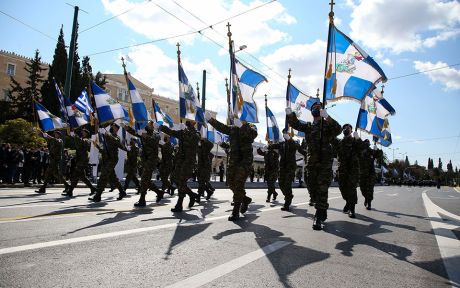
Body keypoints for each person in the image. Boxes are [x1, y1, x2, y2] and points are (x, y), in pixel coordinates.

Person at [286, 102, 341, 230]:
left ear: (322, 110)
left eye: (319, 107)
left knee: (322, 188)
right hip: (311, 162)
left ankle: (318, 215)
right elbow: (296, 124)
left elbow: (338, 130)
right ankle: (322, 208)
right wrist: (290, 114)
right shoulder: (309, 126)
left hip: (324, 162)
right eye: (314, 107)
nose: (316, 108)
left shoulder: (327, 125)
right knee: (311, 185)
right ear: (311, 112)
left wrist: (327, 117)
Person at [206, 113, 257, 221]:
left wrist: (242, 126)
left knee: (238, 184)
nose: (236, 119)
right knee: (230, 183)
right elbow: (222, 127)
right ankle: (245, 199)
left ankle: (236, 211)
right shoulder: (233, 129)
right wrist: (211, 120)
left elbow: (253, 135)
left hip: (244, 161)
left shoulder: (250, 126)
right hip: (233, 161)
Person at [160, 120, 200, 212]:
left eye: (189, 124)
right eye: (186, 124)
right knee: (175, 179)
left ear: (193, 125)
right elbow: (171, 132)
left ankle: (179, 204)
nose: (187, 125)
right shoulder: (182, 133)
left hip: (188, 161)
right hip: (180, 160)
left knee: (182, 181)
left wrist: (188, 132)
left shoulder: (196, 133)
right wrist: (161, 127)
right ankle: (191, 195)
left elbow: (195, 139)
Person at [125, 123, 162, 207]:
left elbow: (153, 141)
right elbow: (135, 133)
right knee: (146, 180)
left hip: (151, 161)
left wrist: (144, 135)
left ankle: (142, 199)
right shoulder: (145, 135)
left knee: (144, 180)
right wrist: (128, 128)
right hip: (146, 161)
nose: (148, 126)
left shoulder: (156, 135)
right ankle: (158, 192)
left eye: (150, 125)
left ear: (152, 128)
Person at [89, 123, 127, 202]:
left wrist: (105, 133)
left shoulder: (116, 137)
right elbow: (104, 150)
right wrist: (97, 146)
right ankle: (122, 191)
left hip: (112, 159)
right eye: (112, 126)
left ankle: (98, 195)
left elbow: (116, 141)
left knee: (103, 176)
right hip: (106, 160)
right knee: (113, 178)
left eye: (113, 127)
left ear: (117, 129)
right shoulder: (108, 136)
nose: (112, 128)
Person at [333, 124, 362, 218]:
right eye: (344, 128)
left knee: (351, 189)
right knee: (343, 189)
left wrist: (358, 139)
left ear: (351, 131)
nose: (346, 129)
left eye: (348, 128)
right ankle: (348, 202)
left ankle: (352, 209)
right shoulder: (340, 142)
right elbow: (331, 139)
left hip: (353, 169)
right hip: (342, 170)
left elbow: (362, 149)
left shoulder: (354, 141)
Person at [271, 129, 302, 211]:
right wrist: (269, 146)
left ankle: (287, 203)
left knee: (287, 184)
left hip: (290, 167)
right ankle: (289, 196)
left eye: (286, 133)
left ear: (289, 134)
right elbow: (275, 146)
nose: (285, 135)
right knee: (281, 183)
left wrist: (290, 139)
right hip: (282, 167)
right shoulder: (282, 144)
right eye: (284, 133)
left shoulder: (293, 142)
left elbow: (297, 147)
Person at [61, 129, 96, 197]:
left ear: (86, 133)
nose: (82, 132)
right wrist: (73, 135)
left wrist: (74, 136)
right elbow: (77, 142)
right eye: (82, 131)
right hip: (80, 160)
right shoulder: (81, 139)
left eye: (83, 131)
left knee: (75, 175)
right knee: (82, 177)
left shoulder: (87, 140)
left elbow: (81, 143)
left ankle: (70, 191)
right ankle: (93, 188)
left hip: (82, 160)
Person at [359, 140, 382, 210]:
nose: (366, 143)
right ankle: (366, 198)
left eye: (367, 142)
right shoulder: (360, 151)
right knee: (362, 189)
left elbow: (379, 155)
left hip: (370, 174)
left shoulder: (371, 151)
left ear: (369, 144)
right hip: (362, 174)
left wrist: (377, 149)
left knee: (370, 189)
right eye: (365, 142)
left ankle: (369, 203)